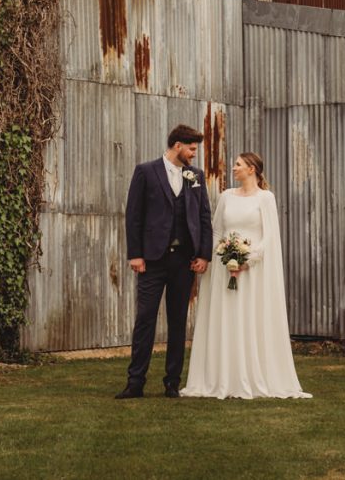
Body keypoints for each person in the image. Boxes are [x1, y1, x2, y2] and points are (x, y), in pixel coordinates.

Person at [181, 152, 311, 399]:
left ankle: (252, 375)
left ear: (252, 169)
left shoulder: (266, 198)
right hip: (224, 270)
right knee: (226, 319)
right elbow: (218, 230)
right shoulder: (227, 196)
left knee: (249, 318)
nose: (233, 168)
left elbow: (269, 237)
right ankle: (222, 377)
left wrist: (245, 260)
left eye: (238, 165)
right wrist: (218, 256)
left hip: (252, 273)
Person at [115, 124, 212, 399]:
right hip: (152, 261)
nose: (194, 154)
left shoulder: (196, 176)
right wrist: (135, 254)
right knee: (145, 319)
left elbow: (203, 216)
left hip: (184, 262)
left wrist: (203, 254)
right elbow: (133, 215)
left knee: (178, 322)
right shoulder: (146, 171)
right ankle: (135, 383)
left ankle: (172, 382)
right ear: (178, 145)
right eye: (192, 149)